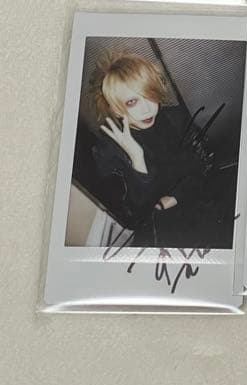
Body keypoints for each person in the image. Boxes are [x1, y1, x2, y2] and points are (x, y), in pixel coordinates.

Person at [86, 50, 236, 248]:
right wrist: (137, 159)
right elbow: (135, 216)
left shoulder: (175, 118)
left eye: (149, 94)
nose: (147, 109)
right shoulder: (106, 151)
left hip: (200, 201)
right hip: (163, 229)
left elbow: (203, 166)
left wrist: (173, 198)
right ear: (115, 108)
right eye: (132, 102)